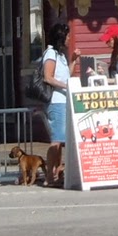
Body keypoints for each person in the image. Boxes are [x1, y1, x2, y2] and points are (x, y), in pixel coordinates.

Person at [41, 22, 71, 187]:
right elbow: (48, 77)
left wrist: (73, 61)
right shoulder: (51, 54)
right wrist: (67, 86)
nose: (69, 38)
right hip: (56, 101)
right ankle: (50, 176)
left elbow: (65, 75)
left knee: (61, 139)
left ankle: (57, 173)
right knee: (56, 140)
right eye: (67, 35)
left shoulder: (61, 56)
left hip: (64, 100)